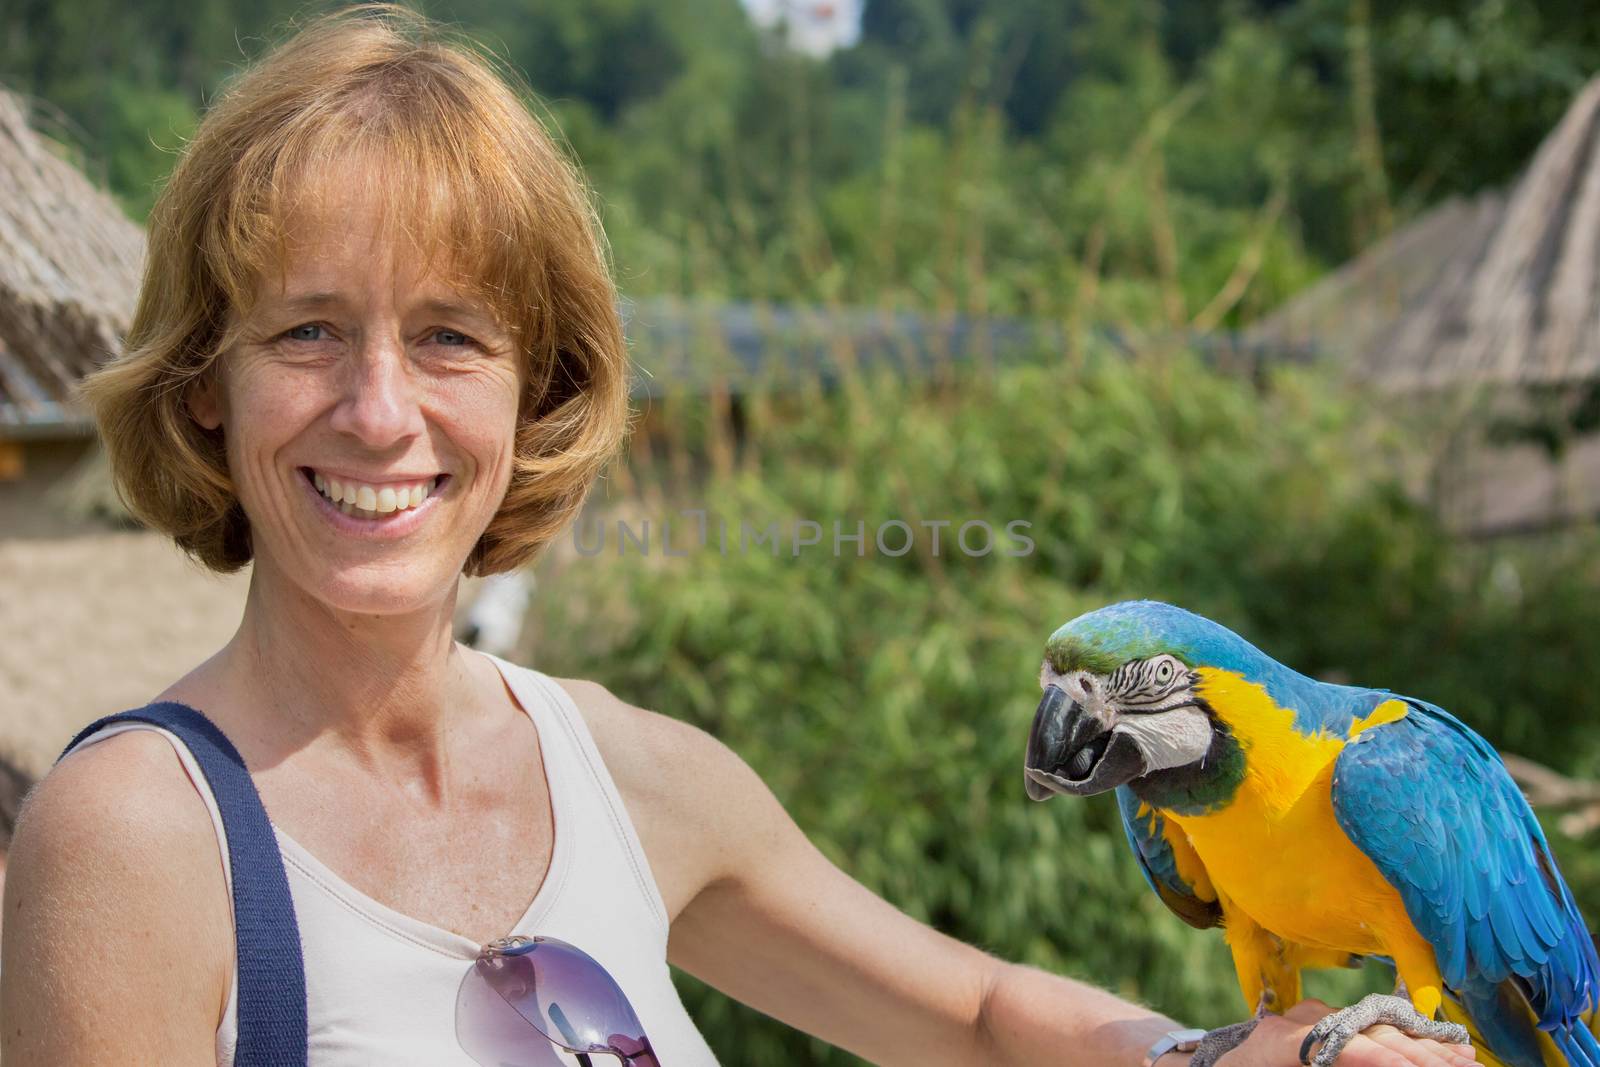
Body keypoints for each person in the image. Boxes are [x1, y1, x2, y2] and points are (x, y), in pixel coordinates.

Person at [0, 7, 1478, 1066]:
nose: (381, 412)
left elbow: (971, 1021)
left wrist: (1250, 1061)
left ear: (542, 388)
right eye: (309, 331)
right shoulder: (138, 835)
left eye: (451, 337)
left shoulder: (629, 773)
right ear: (205, 389)